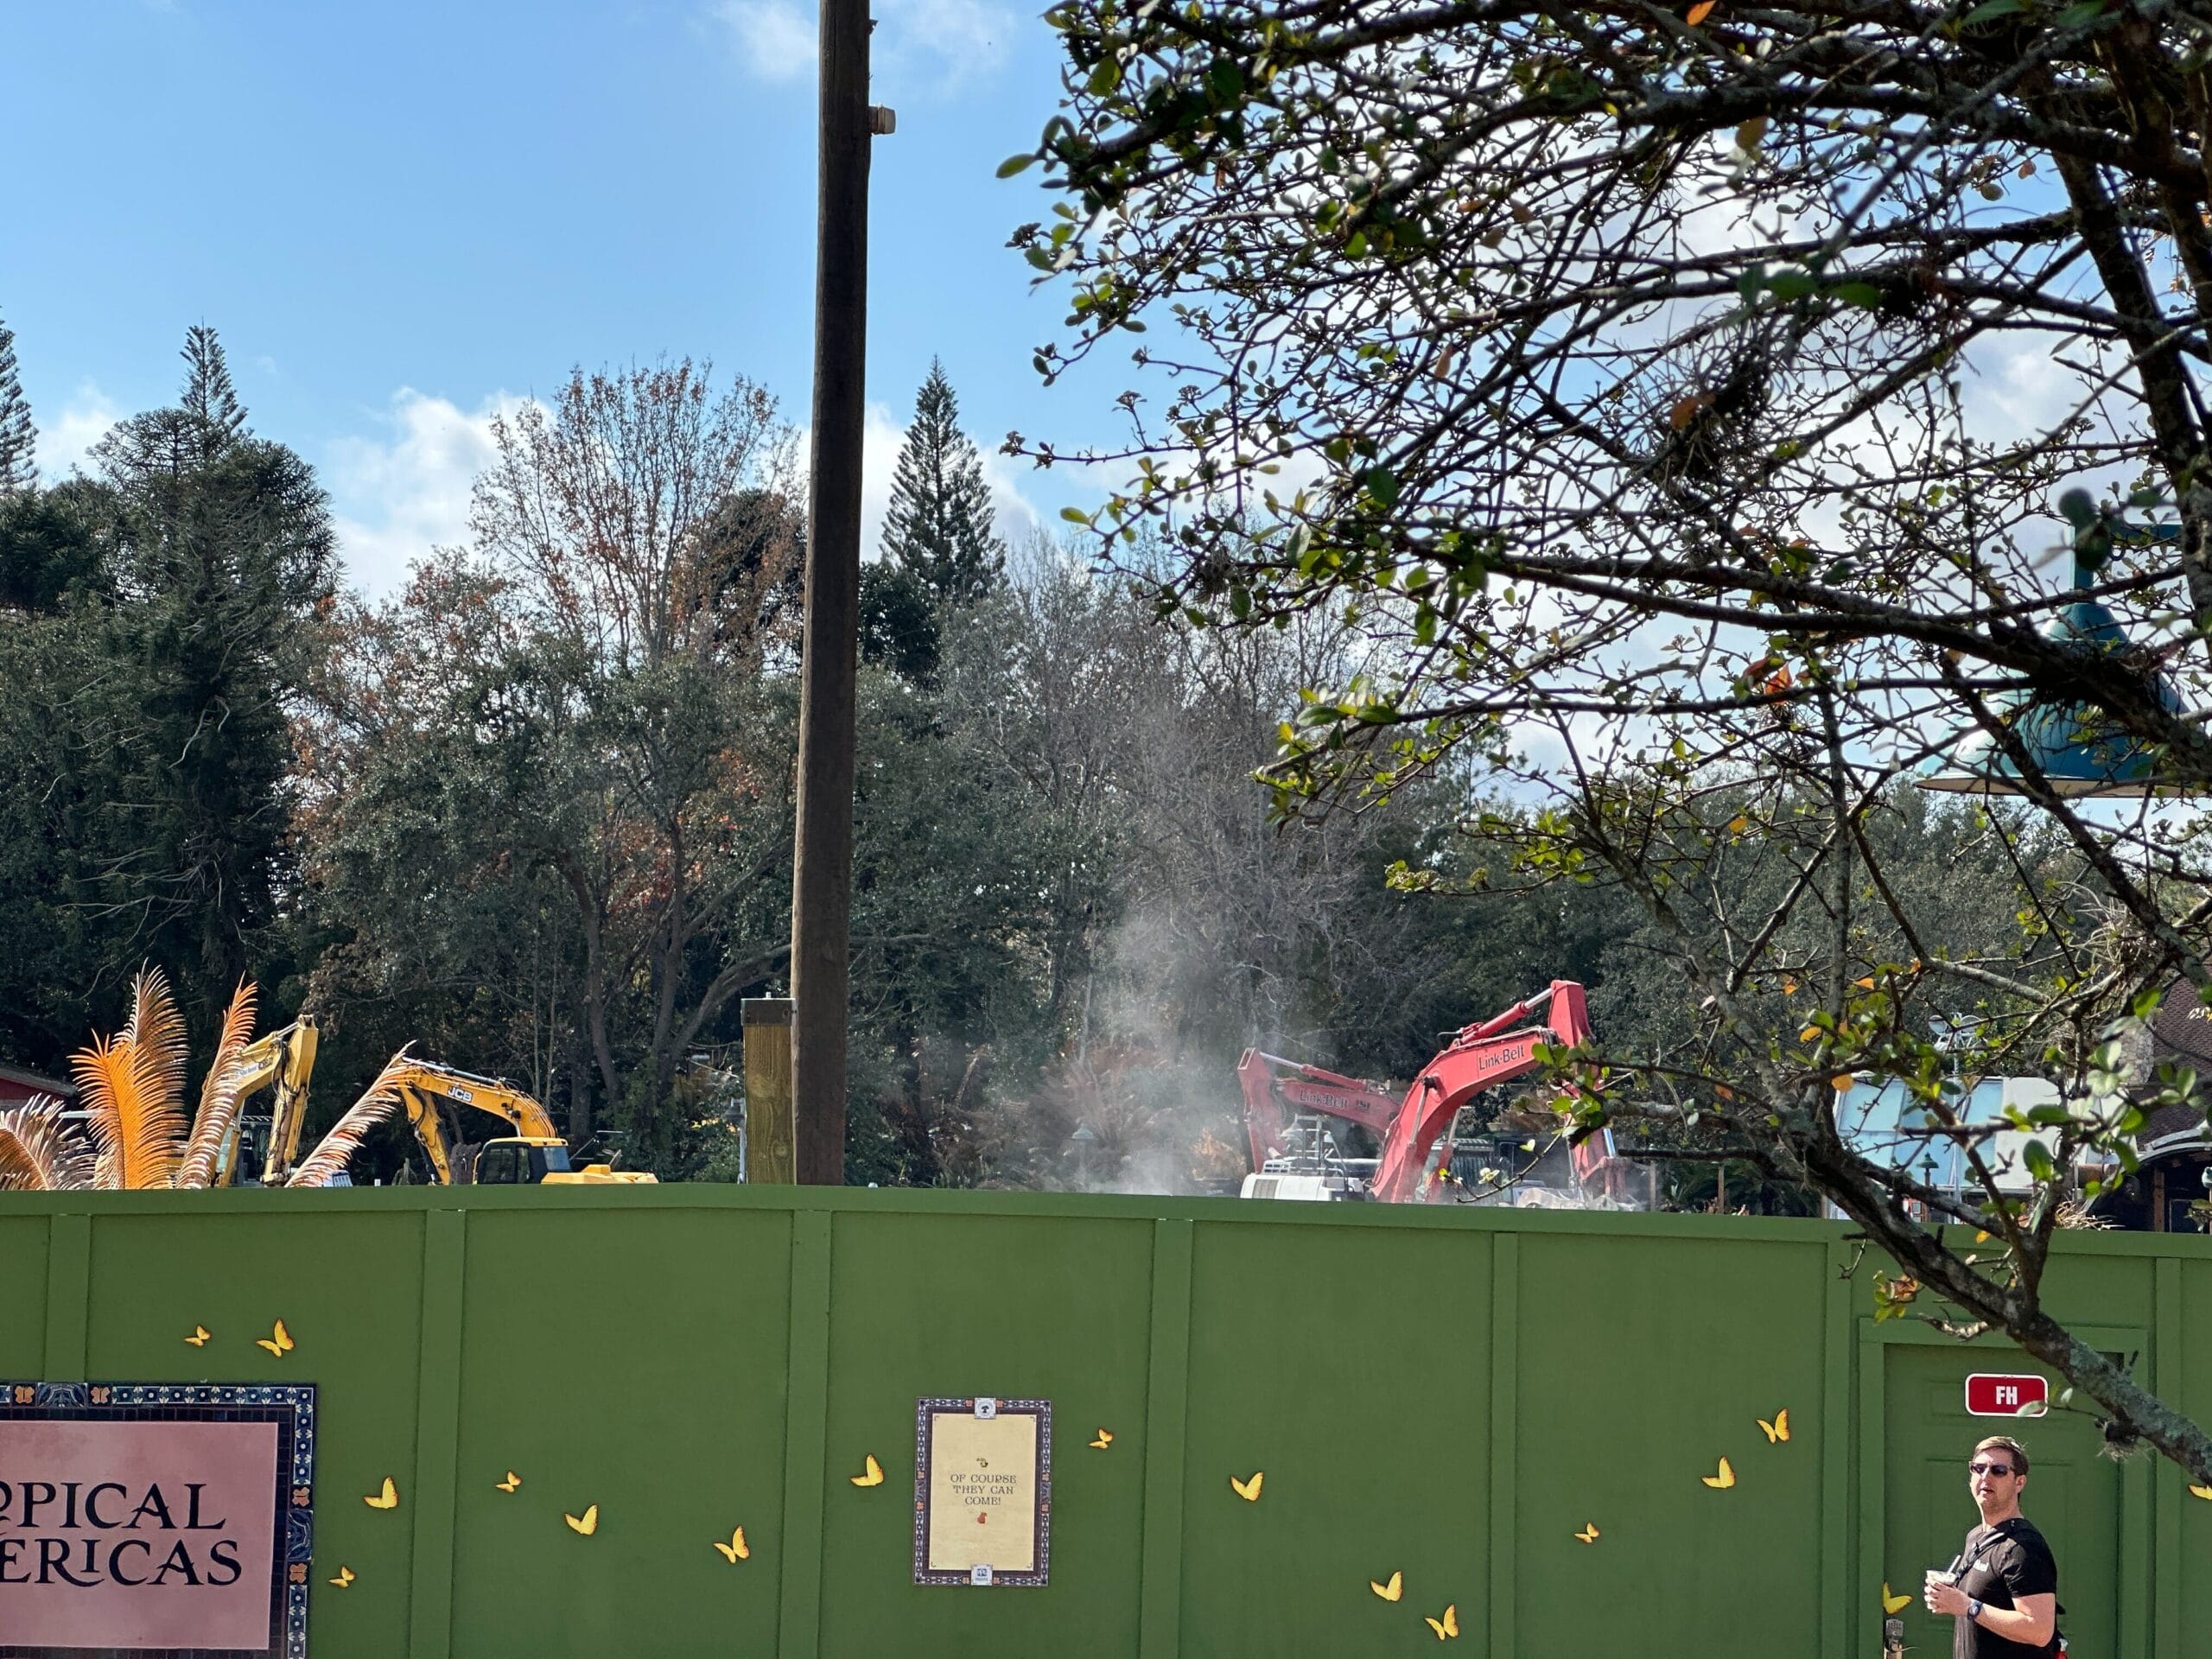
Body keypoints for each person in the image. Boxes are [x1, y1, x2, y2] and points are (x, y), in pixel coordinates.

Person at [1923, 1435, 2059, 1659]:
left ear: (2019, 1482)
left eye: (1998, 1470)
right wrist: (1947, 1598)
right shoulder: (1976, 1536)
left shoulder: (2023, 1547)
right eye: (1978, 1468)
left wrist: (1969, 1607)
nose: (1986, 1476)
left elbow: (2039, 1630)